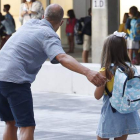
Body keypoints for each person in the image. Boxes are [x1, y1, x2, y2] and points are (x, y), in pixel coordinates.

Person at [0, 4, 106, 140]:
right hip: (15, 80)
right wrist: (88, 72)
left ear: (43, 16)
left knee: (11, 122)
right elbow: (62, 57)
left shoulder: (30, 23)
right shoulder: (49, 35)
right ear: (61, 22)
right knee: (26, 126)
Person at [94, 31, 140, 140]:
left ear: (107, 50)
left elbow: (97, 95)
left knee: (101, 137)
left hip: (111, 110)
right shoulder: (131, 69)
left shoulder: (105, 71)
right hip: (127, 110)